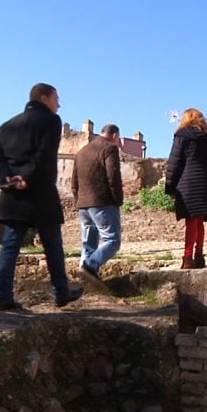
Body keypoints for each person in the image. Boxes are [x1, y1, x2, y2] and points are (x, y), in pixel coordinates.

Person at [0, 83, 83, 310]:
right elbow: (45, 154)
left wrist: (7, 180)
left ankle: (3, 296)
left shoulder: (7, 125)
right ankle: (61, 291)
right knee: (52, 244)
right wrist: (26, 177)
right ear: (44, 98)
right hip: (40, 191)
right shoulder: (51, 120)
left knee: (10, 245)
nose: (58, 103)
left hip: (13, 195)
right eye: (56, 98)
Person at [164, 108, 207, 269]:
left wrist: (170, 185)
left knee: (191, 220)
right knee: (199, 221)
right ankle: (199, 255)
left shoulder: (182, 136)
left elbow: (175, 162)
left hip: (189, 183)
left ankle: (188, 258)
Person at [71, 124, 123, 289]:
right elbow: (113, 176)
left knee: (89, 243)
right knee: (112, 240)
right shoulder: (109, 148)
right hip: (102, 202)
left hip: (83, 205)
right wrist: (117, 199)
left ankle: (86, 280)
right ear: (114, 135)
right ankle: (90, 265)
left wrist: (78, 201)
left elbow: (74, 183)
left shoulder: (81, 152)